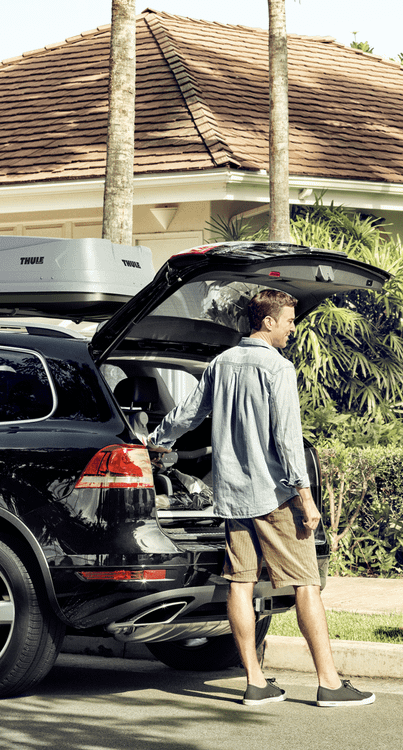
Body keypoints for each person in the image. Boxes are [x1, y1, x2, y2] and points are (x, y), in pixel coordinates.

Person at [147, 289, 374, 708]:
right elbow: (288, 441)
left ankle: (254, 680)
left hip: (232, 497)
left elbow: (187, 414)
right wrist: (306, 498)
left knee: (241, 583)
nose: (293, 327)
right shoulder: (278, 368)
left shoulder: (221, 363)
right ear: (267, 321)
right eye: (288, 320)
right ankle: (329, 683)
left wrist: (153, 442)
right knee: (306, 584)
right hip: (275, 497)